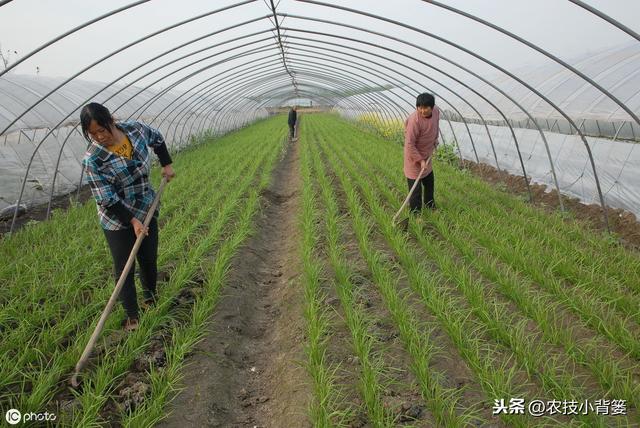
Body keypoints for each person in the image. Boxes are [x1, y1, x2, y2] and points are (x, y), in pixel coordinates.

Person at [81, 102, 175, 332]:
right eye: (91, 134)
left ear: (111, 121)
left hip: (145, 204)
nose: (98, 137)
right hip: (116, 217)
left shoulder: (135, 130)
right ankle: (133, 315)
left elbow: (158, 139)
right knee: (124, 267)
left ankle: (150, 299)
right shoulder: (93, 159)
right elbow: (107, 198)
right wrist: (132, 221)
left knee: (149, 258)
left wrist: (167, 164)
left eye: (101, 130)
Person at [404, 93, 440, 212]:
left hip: (427, 155)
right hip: (414, 158)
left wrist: (435, 139)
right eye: (419, 107)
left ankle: (430, 206)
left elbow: (435, 125)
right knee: (415, 190)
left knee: (429, 183)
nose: (422, 110)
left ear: (432, 107)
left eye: (425, 107)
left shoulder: (436, 111)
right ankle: (415, 213)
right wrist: (420, 160)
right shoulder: (415, 121)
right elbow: (409, 144)